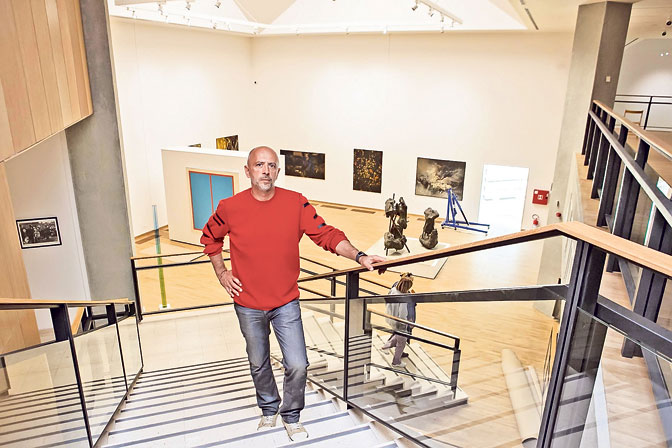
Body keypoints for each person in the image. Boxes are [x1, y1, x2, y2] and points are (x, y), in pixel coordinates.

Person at [200, 146, 385, 441]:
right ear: (247, 171)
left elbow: (326, 234)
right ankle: (268, 407)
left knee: (298, 364)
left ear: (278, 171)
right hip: (247, 303)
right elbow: (210, 238)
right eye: (259, 165)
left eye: (272, 165)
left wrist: (359, 256)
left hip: (286, 301)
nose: (266, 171)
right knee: (258, 362)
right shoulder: (229, 207)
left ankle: (291, 415)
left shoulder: (295, 203)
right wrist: (222, 273)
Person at [381, 272, 416, 368]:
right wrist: (407, 323)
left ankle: (386, 345)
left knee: (398, 335)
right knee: (402, 341)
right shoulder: (404, 298)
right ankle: (396, 362)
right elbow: (402, 314)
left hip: (390, 317)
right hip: (399, 322)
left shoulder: (393, 290)